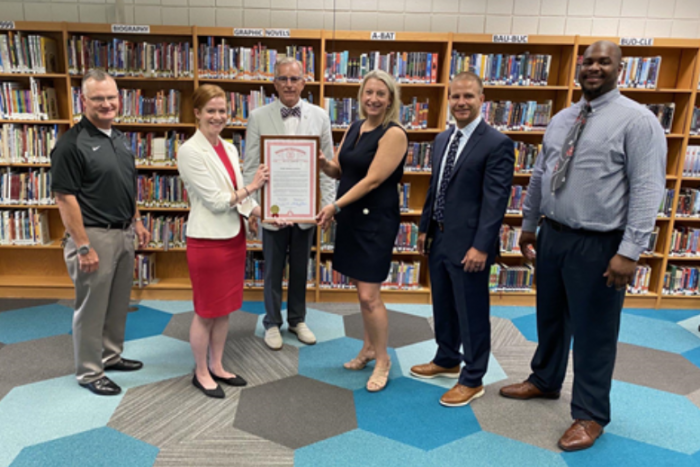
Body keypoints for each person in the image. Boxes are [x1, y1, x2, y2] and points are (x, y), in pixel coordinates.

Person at [499, 41, 666, 451]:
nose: (594, 68)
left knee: (595, 332)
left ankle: (590, 415)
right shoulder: (562, 119)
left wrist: (629, 251)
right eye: (588, 61)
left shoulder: (637, 121)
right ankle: (545, 380)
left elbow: (648, 190)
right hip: (553, 236)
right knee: (550, 317)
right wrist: (528, 224)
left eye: (603, 62)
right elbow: (540, 175)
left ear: (618, 68)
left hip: (600, 243)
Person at [408, 72, 514, 407]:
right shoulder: (442, 139)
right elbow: (436, 187)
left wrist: (481, 246)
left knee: (471, 311)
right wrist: (424, 228)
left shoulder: (497, 143)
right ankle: (447, 358)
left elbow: (495, 201)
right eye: (455, 97)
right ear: (449, 100)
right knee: (442, 304)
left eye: (468, 96)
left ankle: (473, 377)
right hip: (439, 238)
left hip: (470, 244)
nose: (461, 102)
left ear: (482, 99)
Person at [51, 69, 151, 396]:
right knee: (92, 308)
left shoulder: (119, 138)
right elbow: (65, 198)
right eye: (98, 98)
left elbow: (126, 186)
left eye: (112, 97)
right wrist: (82, 246)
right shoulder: (70, 144)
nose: (107, 104)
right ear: (83, 100)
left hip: (123, 233)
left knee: (118, 302)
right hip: (93, 236)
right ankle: (90, 372)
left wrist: (136, 221)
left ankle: (110, 355)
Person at [317, 70, 409, 392]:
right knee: (362, 291)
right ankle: (368, 348)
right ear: (361, 96)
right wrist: (320, 163)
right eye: (368, 92)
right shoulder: (355, 127)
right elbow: (340, 169)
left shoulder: (393, 133)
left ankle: (383, 358)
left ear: (390, 99)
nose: (373, 99)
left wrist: (334, 206)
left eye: (380, 94)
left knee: (370, 296)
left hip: (374, 222)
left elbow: (371, 180)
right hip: (353, 218)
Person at [177, 84, 269, 398]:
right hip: (208, 242)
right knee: (206, 311)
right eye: (211, 111)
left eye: (222, 110)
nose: (217, 117)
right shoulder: (190, 150)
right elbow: (218, 201)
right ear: (197, 114)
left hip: (233, 238)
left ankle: (217, 364)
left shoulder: (228, 148)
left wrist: (256, 210)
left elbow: (237, 192)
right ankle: (200, 372)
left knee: (224, 309)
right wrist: (253, 187)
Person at [243, 57, 335, 351]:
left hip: (306, 209)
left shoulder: (320, 116)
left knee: (299, 267)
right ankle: (271, 322)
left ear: (304, 82)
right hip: (273, 208)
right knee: (272, 269)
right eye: (283, 79)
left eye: (294, 79)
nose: (289, 84)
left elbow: (328, 165)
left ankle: (297, 319)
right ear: (274, 84)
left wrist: (329, 205)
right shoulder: (258, 116)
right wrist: (253, 207)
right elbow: (250, 167)